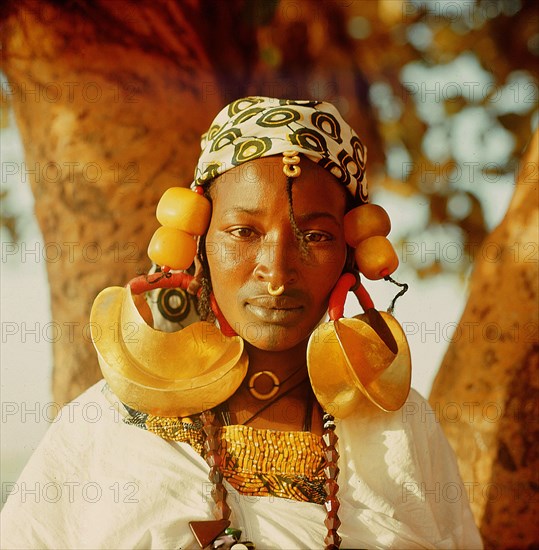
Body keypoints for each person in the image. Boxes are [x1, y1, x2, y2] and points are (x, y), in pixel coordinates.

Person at [1, 97, 482, 549]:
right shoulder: (106, 423)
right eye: (244, 232)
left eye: (314, 235)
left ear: (353, 252)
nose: (276, 268)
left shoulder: (398, 427)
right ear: (198, 242)